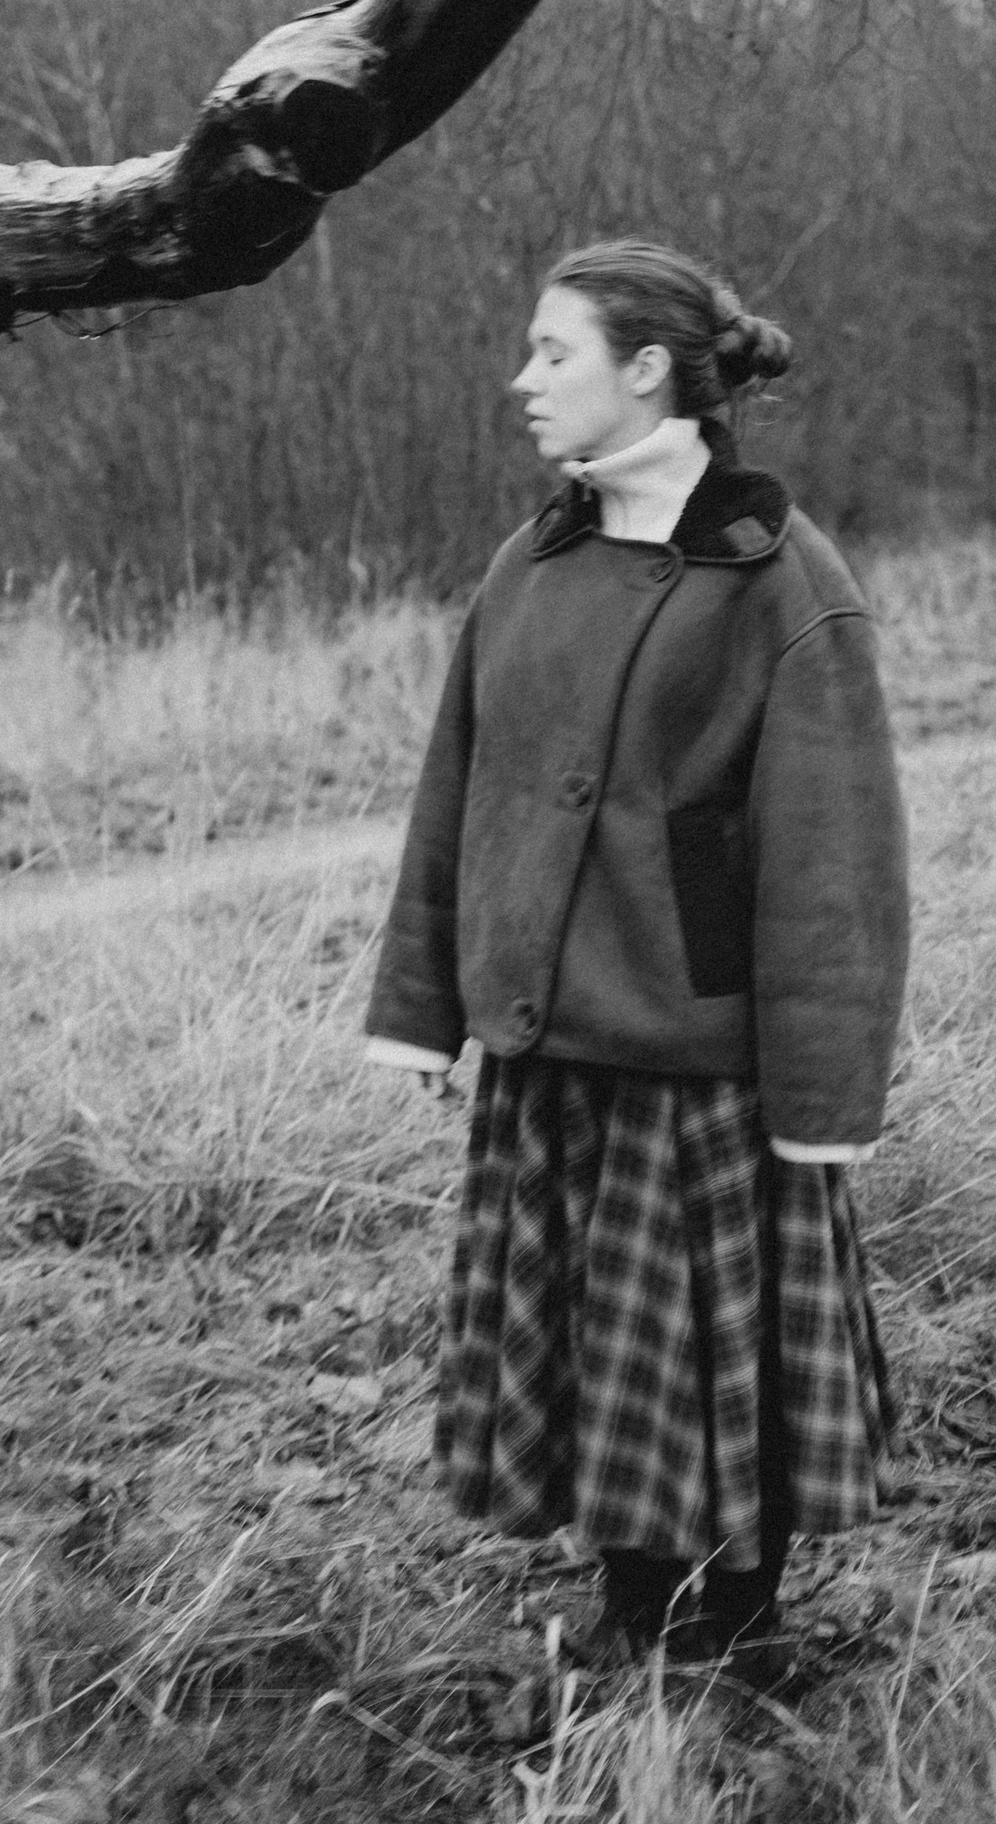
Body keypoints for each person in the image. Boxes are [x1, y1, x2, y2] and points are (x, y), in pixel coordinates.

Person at [364, 237, 909, 1672]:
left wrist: (823, 1097)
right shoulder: (530, 563)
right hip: (550, 1047)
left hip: (696, 1064)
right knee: (593, 1361)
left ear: (649, 369)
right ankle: (633, 1612)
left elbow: (836, 863)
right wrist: (424, 1004)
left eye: (556, 352)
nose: (524, 379)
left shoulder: (780, 578)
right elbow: (457, 791)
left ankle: (729, 1631)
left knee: (715, 1372)